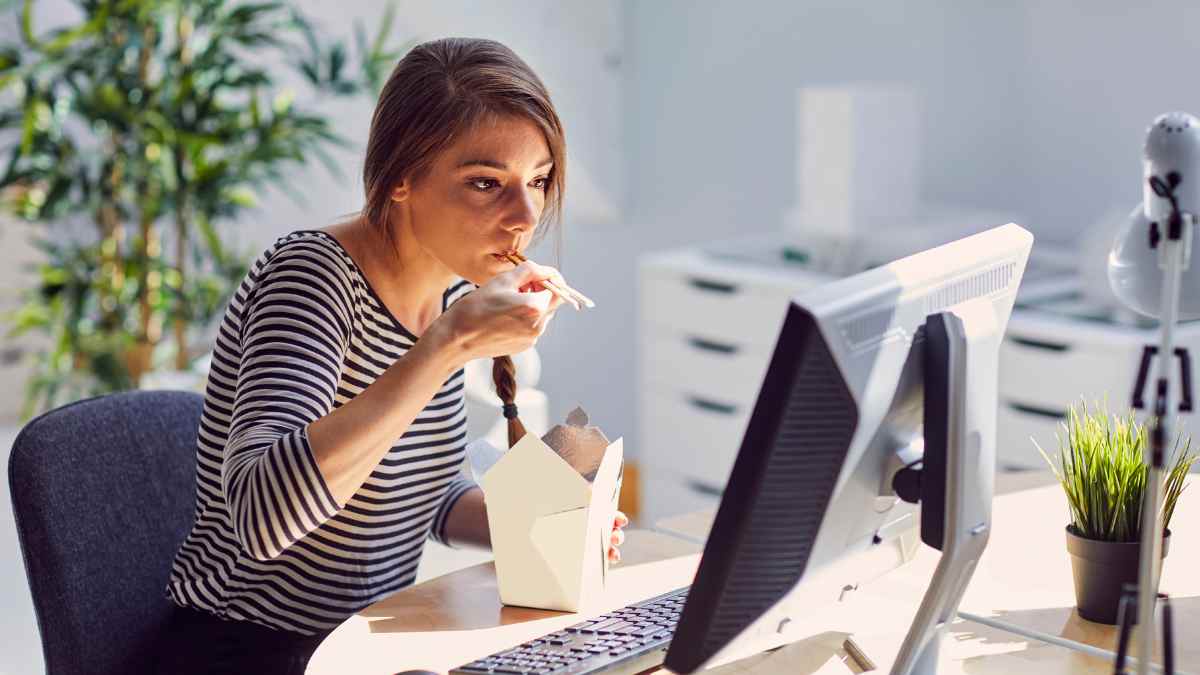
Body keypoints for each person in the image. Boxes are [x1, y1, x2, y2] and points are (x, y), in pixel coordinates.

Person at [154, 37, 627, 674]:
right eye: (486, 183)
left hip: (367, 646)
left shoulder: (450, 290)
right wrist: (446, 346)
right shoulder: (313, 279)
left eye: (538, 181)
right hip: (250, 651)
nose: (524, 216)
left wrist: (544, 527)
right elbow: (263, 520)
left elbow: (415, 494)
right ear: (400, 177)